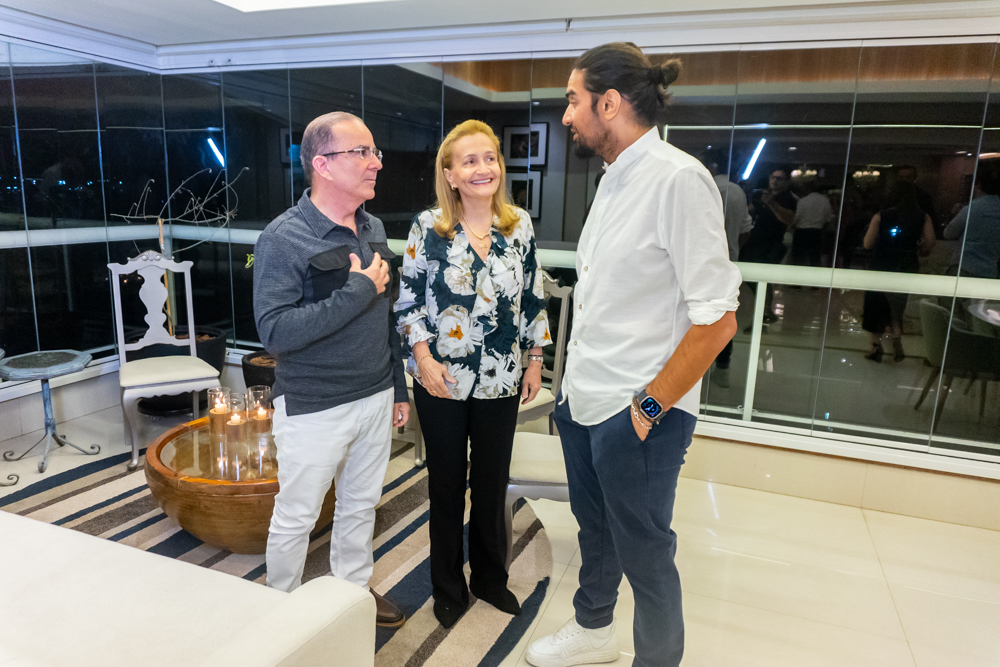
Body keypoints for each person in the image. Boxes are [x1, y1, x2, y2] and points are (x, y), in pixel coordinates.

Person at [525, 43, 740, 667]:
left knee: (646, 553)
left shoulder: (677, 179)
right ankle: (594, 631)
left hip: (637, 412)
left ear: (610, 103)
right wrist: (569, 398)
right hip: (585, 400)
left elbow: (718, 319)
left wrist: (646, 409)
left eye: (573, 100)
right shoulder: (614, 178)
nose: (567, 115)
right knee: (595, 533)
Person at [253, 111, 410, 628]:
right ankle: (278, 612)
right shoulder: (284, 238)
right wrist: (357, 290)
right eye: (361, 152)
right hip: (314, 405)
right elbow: (275, 333)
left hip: (375, 395)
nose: (375, 163)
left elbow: (385, 315)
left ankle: (352, 593)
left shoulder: (373, 227)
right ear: (321, 164)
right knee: (297, 515)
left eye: (374, 152)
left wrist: (398, 388)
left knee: (361, 505)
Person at [395, 120, 551, 629]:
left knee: (490, 482)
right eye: (469, 161)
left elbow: (533, 295)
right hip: (440, 378)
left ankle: (489, 578)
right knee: (445, 485)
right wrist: (423, 359)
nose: (483, 168)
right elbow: (408, 303)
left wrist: (534, 359)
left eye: (490, 158)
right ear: (450, 174)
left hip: (501, 376)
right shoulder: (428, 227)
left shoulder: (518, 224)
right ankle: (447, 586)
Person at [861, 181, 936, 362]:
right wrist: (918, 249)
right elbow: (929, 243)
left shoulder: (881, 216)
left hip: (883, 263)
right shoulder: (923, 217)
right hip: (907, 264)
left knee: (875, 304)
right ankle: (896, 336)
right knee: (896, 304)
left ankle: (875, 347)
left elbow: (867, 244)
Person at [701, 149, 751, 388]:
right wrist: (731, 250)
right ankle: (722, 368)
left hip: (704, 264)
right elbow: (745, 230)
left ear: (712, 166)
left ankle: (694, 371)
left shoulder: (706, 188)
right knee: (723, 316)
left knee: (697, 317)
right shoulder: (738, 191)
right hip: (729, 262)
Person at [741, 166, 797, 324]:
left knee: (761, 278)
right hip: (755, 241)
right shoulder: (763, 195)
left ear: (787, 182)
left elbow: (789, 219)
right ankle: (763, 309)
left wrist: (771, 203)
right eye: (773, 177)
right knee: (750, 276)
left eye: (779, 178)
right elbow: (752, 211)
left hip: (771, 244)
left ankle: (765, 311)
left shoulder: (788, 199)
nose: (775, 181)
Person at [943, 162, 1000, 279]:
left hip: (964, 268)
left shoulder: (971, 208)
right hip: (989, 270)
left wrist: (955, 214)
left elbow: (948, 233)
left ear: (977, 184)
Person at [791, 179, 834, 267]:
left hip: (801, 232)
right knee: (814, 258)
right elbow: (828, 218)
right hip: (817, 233)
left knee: (799, 259)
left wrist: (791, 226)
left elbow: (797, 217)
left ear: (807, 189)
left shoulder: (802, 201)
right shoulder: (825, 200)